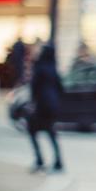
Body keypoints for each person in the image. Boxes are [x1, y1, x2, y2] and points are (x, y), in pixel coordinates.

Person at [27, 44, 64, 173]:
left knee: (32, 131)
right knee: (51, 133)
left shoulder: (40, 67)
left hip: (41, 106)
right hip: (52, 107)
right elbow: (61, 88)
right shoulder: (53, 68)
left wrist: (33, 102)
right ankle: (58, 161)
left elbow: (34, 87)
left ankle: (39, 160)